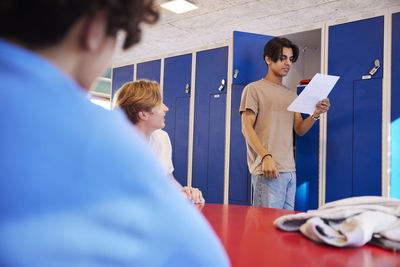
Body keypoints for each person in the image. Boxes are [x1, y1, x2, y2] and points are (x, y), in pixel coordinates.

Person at [0, 1, 229, 266]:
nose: (166, 108)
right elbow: (200, 258)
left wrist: (184, 192)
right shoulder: (105, 140)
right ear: (94, 29)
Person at [240, 37, 330, 210]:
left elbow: (300, 130)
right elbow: (246, 127)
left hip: (289, 171)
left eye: (290, 59)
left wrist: (316, 113)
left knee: (284, 226)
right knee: (264, 227)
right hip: (267, 169)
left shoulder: (291, 95)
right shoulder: (253, 89)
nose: (288, 63)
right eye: (283, 58)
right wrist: (265, 157)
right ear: (268, 59)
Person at [114, 80, 205, 204]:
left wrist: (186, 193)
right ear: (144, 114)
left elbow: (168, 180)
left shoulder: (162, 138)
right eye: (160, 104)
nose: (166, 109)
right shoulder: (115, 146)